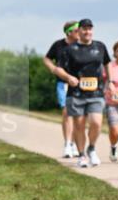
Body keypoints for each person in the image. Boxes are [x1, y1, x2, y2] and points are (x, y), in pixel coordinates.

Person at [54, 19, 111, 168]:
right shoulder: (69, 50)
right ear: (79, 31)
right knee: (79, 125)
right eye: (84, 29)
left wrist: (110, 81)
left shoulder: (100, 47)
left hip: (96, 93)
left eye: (90, 29)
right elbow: (58, 69)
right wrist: (68, 77)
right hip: (76, 94)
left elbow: (107, 63)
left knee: (96, 123)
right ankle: (81, 155)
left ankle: (91, 148)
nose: (87, 32)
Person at [43, 21, 82, 158]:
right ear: (69, 32)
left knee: (78, 115)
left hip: (80, 84)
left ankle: (77, 145)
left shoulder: (82, 45)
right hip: (63, 83)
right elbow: (46, 59)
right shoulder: (58, 45)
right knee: (67, 112)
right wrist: (53, 68)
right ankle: (67, 144)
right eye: (77, 30)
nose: (80, 32)